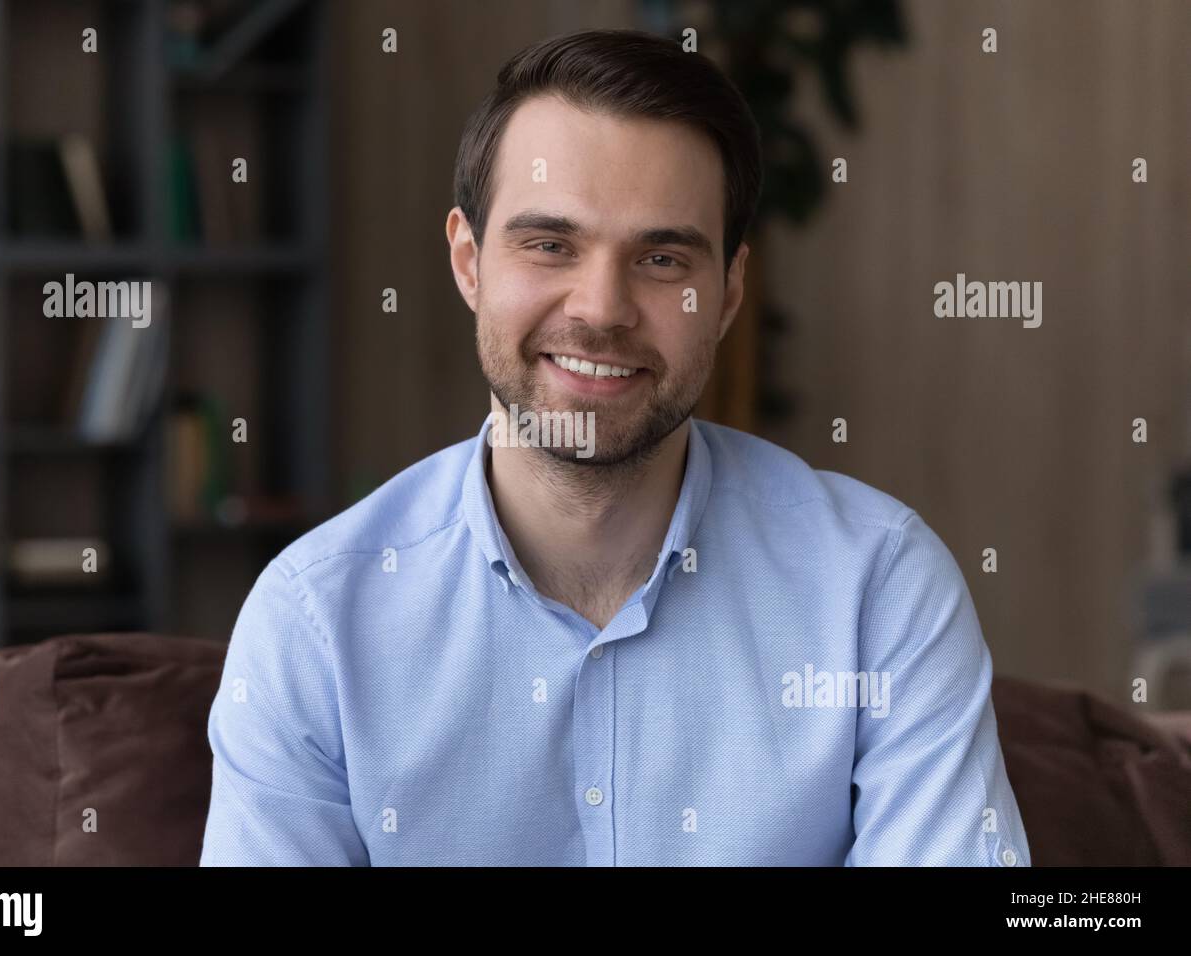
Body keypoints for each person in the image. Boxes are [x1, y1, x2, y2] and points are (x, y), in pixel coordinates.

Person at [199, 28, 1030, 866]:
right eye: (550, 245)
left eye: (662, 258)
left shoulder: (877, 588)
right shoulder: (315, 620)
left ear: (729, 291)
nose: (601, 309)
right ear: (468, 260)